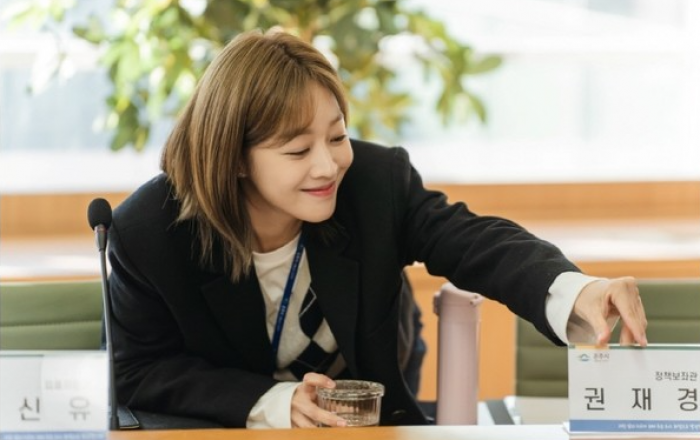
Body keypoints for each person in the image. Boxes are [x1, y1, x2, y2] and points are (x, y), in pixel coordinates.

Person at [107, 28, 648, 429]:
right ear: (235, 158)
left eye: (337, 136)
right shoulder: (149, 232)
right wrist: (269, 402)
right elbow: (139, 370)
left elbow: (471, 240)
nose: (327, 167)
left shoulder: (374, 182)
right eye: (297, 150)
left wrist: (576, 290)